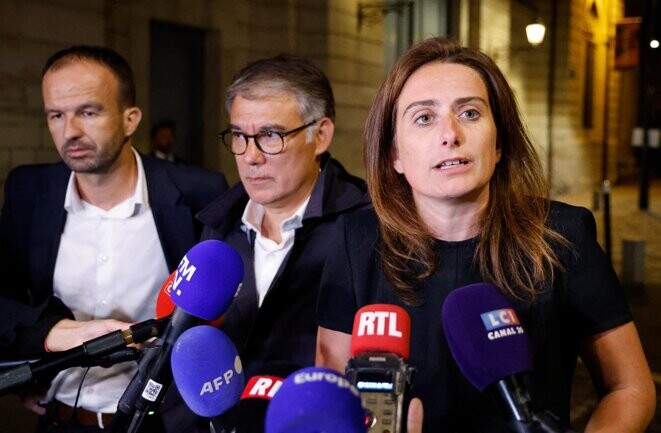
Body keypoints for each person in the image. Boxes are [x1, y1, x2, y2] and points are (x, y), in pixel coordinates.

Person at [315, 37, 656, 433]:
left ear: (499, 143)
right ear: (395, 155)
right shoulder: (354, 242)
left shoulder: (563, 236)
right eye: (424, 118)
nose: (450, 134)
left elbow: (630, 387)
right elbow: (333, 393)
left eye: (470, 113)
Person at [0, 45, 228, 432]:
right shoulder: (29, 191)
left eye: (88, 112)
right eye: (56, 115)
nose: (69, 131)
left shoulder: (198, 192)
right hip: (61, 421)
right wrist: (48, 339)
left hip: (163, 424)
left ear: (130, 119)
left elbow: (222, 313)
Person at [193, 53, 369, 431]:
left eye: (271, 136)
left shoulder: (366, 226)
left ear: (320, 135)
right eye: (239, 136)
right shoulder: (218, 226)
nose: (251, 157)